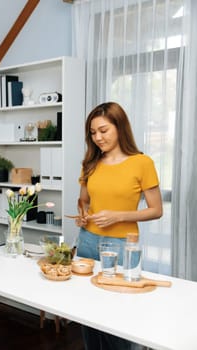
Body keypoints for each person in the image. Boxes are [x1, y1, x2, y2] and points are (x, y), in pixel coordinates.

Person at [74, 101, 163, 350]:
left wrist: (118, 216)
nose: (98, 138)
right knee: (88, 315)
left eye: (103, 130)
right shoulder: (90, 162)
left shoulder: (141, 163)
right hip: (87, 243)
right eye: (93, 133)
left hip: (123, 246)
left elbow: (156, 210)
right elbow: (83, 201)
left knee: (120, 318)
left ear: (119, 127)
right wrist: (82, 216)